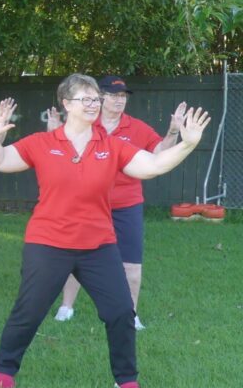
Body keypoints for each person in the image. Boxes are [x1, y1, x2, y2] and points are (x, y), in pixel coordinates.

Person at [0, 74, 209, 388]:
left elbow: (154, 165)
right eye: (85, 99)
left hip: (98, 246)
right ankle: (5, 370)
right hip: (48, 242)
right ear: (66, 104)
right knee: (29, 311)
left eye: (95, 99)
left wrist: (188, 143)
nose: (93, 105)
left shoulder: (112, 145)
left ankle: (126, 378)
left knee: (120, 312)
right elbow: (0, 161)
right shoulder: (42, 143)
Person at [50, 76, 186, 330]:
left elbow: (159, 153)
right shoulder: (85, 123)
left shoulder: (137, 128)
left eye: (123, 96)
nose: (119, 100)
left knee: (131, 263)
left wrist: (174, 130)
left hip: (127, 204)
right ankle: (66, 307)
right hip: (87, 202)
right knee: (75, 256)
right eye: (113, 95)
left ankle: (131, 313)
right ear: (100, 98)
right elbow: (59, 150)